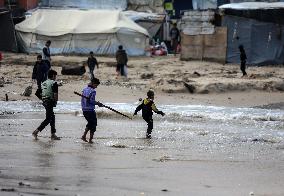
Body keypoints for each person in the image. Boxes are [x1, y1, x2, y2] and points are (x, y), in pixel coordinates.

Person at [32, 70, 60, 140]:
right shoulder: (54, 83)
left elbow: (37, 93)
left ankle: (53, 134)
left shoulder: (43, 83)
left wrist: (43, 99)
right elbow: (55, 95)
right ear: (53, 76)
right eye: (55, 76)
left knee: (52, 117)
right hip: (50, 102)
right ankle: (36, 131)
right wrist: (55, 101)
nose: (55, 77)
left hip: (45, 102)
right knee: (48, 119)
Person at [81, 77, 103, 143]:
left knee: (90, 123)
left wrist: (95, 102)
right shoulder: (93, 91)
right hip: (90, 110)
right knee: (94, 124)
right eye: (96, 85)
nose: (96, 87)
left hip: (84, 109)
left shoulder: (84, 89)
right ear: (93, 83)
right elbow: (91, 101)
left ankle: (84, 136)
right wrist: (98, 103)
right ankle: (90, 140)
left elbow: (83, 100)